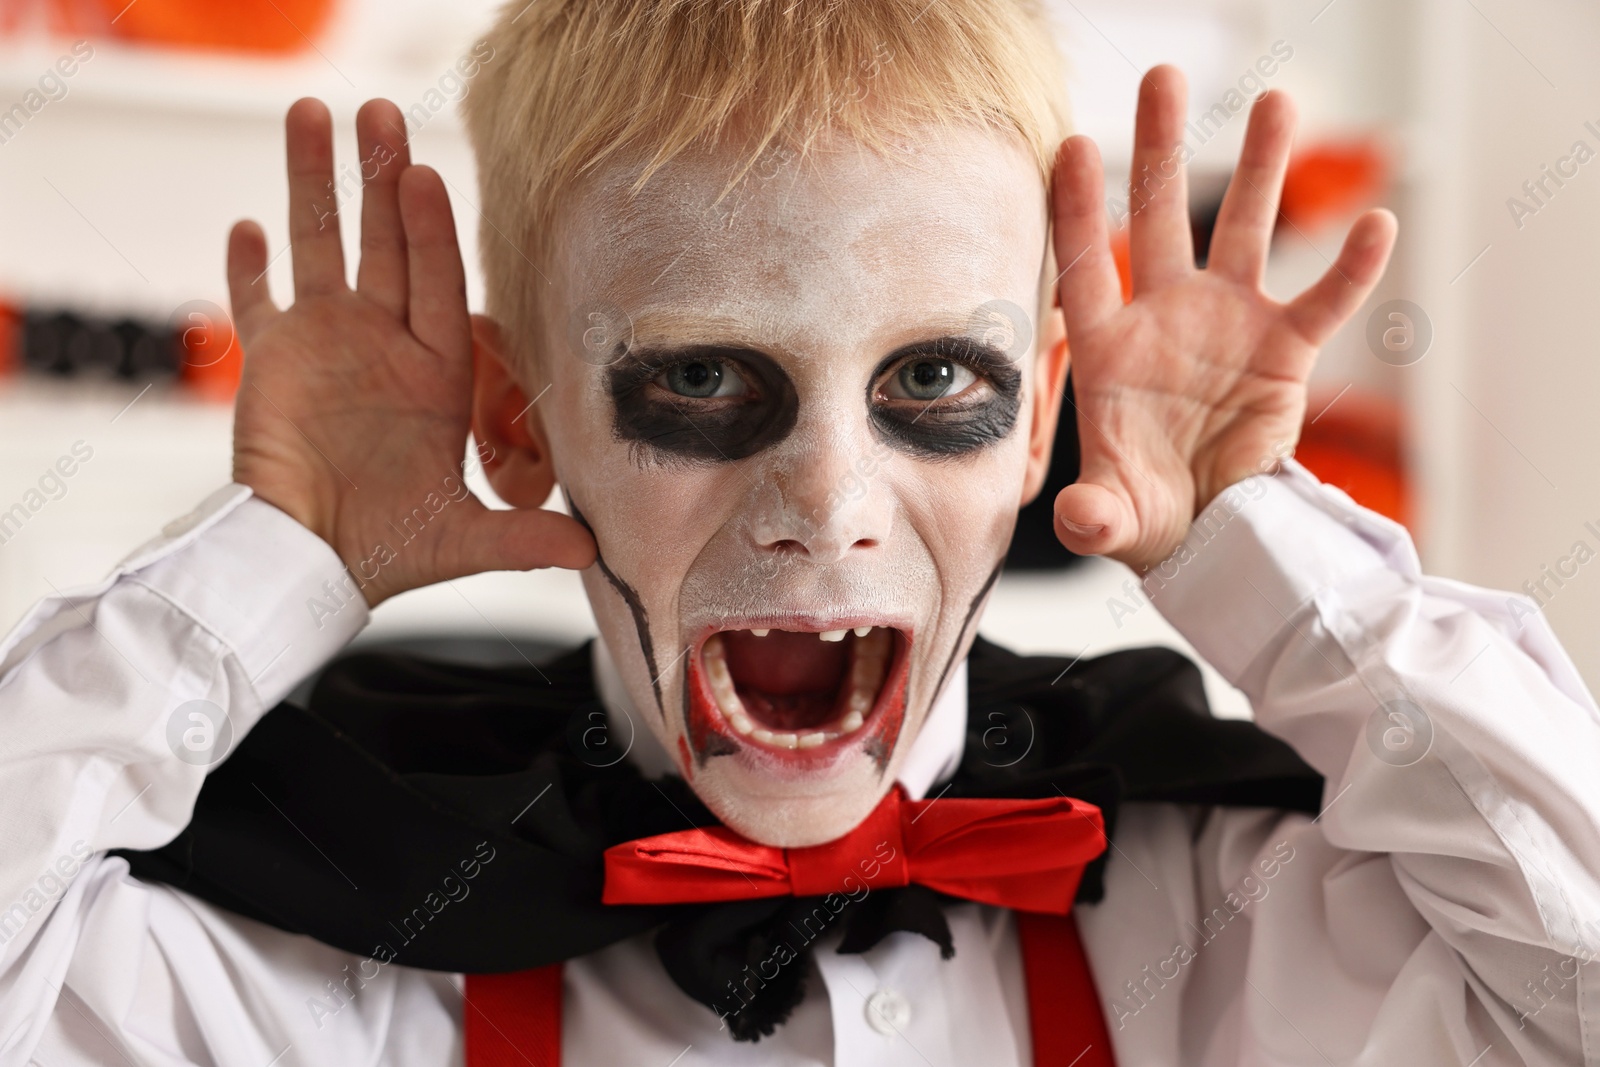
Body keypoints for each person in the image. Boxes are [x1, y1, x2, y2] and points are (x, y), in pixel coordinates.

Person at [2, 2, 1597, 1064]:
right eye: (698, 375)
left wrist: (1245, 540)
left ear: (1038, 419)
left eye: (934, 378)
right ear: (525, 417)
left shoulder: (1232, 932)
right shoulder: (355, 980)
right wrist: (287, 559)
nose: (824, 509)